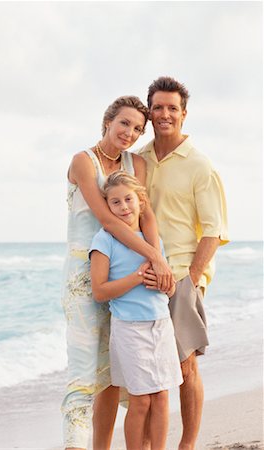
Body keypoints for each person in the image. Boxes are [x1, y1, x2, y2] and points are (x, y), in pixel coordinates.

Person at [61, 95, 174, 450]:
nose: (129, 132)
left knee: (111, 379)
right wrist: (155, 259)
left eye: (138, 128)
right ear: (107, 121)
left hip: (129, 277)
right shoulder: (83, 161)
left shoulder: (135, 163)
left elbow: (147, 215)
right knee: (83, 378)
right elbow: (108, 220)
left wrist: (157, 260)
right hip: (87, 279)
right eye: (124, 123)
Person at [138, 76, 229, 450]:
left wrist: (190, 281)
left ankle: (187, 445)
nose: (164, 114)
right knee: (146, 373)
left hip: (182, 278)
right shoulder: (139, 158)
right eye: (157, 107)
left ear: (184, 114)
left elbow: (214, 230)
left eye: (172, 108)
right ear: (149, 111)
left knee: (185, 365)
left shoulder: (199, 165)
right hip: (142, 278)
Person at [89, 171, 183, 450]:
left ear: (140, 201)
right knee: (141, 399)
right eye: (115, 203)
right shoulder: (104, 240)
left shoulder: (153, 241)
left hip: (161, 324)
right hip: (130, 328)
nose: (123, 207)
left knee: (162, 397)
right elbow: (99, 291)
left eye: (128, 199)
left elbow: (170, 289)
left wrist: (165, 285)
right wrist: (137, 277)